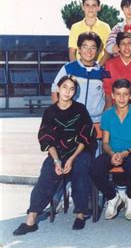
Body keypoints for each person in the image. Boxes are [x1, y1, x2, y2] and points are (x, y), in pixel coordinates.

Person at [13, 76, 96, 235]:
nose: (67, 91)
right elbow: (47, 138)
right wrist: (57, 160)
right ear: (58, 88)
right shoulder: (50, 111)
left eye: (72, 89)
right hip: (58, 152)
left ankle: (80, 214)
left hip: (79, 151)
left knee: (80, 167)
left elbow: (86, 136)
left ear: (74, 92)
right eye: (65, 87)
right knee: (47, 172)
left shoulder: (80, 109)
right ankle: (31, 219)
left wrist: (71, 159)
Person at [90, 79, 131, 221]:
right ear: (112, 96)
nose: (121, 98)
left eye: (125, 94)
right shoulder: (107, 115)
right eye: (118, 94)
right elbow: (105, 143)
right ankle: (113, 197)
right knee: (95, 168)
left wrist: (126, 152)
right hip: (112, 152)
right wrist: (113, 154)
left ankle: (130, 198)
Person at [52, 32, 105, 123]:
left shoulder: (103, 72)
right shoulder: (68, 68)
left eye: (93, 47)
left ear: (97, 51)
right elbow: (55, 90)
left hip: (96, 122)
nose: (89, 51)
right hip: (71, 120)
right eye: (85, 47)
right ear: (79, 50)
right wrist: (60, 114)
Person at [103, 32, 131, 113]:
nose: (126, 47)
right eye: (123, 44)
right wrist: (109, 111)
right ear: (118, 47)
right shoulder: (109, 64)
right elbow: (107, 89)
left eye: (129, 43)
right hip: (116, 110)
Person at [68, 0, 111, 65]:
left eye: (94, 5)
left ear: (99, 7)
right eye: (87, 5)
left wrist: (97, 69)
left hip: (99, 66)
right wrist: (78, 69)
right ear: (82, 7)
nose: (90, 8)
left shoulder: (105, 27)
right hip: (79, 66)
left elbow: (108, 53)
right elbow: (72, 53)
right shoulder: (75, 27)